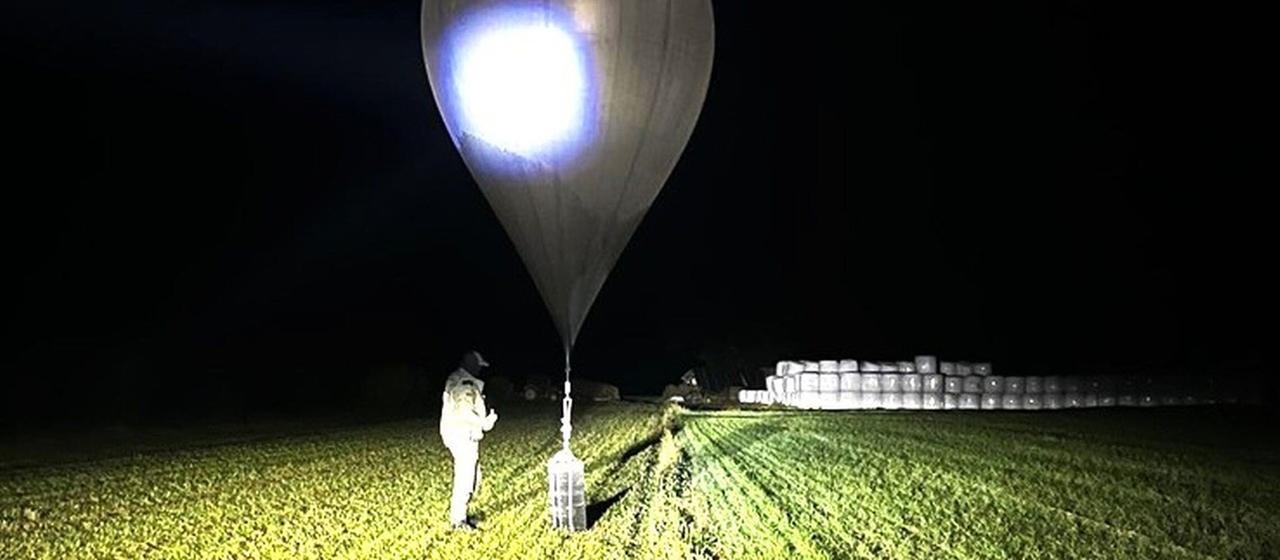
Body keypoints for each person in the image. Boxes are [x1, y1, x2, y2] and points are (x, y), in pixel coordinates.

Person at [439, 350, 498, 531]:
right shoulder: (466, 383)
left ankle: (461, 513)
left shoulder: (456, 378)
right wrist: (485, 423)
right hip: (462, 434)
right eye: (478, 366)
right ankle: (459, 521)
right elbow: (464, 411)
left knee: (473, 476)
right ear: (470, 364)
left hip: (457, 433)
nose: (480, 370)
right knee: (466, 476)